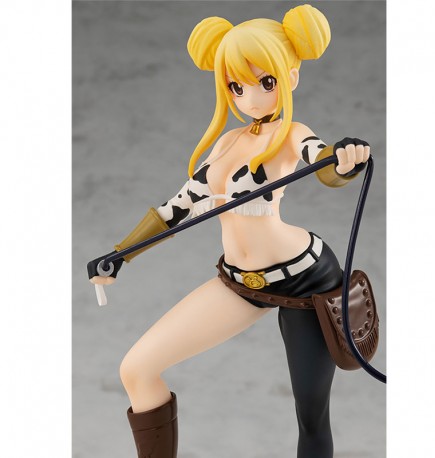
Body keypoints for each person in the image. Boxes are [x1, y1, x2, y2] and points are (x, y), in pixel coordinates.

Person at [87, 4, 370, 457]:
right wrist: (120, 254)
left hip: (305, 278)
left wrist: (345, 160)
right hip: (239, 281)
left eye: (266, 82)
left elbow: (322, 161)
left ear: (291, 77)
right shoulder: (227, 142)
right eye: (237, 86)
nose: (251, 98)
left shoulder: (291, 133)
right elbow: (177, 208)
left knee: (311, 414)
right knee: (137, 369)